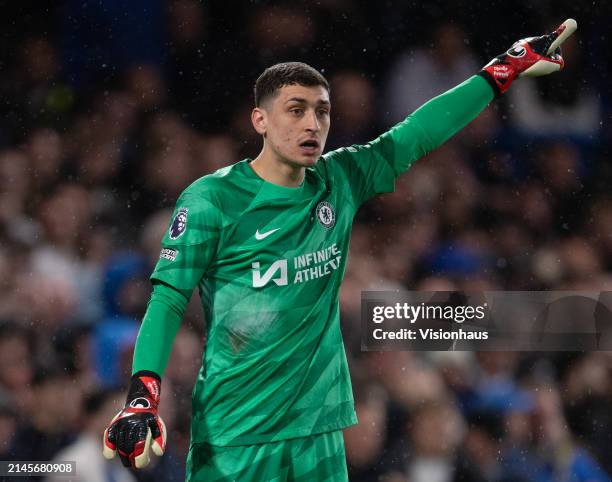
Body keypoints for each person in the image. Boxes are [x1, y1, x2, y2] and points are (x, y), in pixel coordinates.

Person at [102, 21, 572, 481]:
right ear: (260, 120)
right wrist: (142, 396)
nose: (312, 124)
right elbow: (167, 300)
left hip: (318, 426)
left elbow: (418, 132)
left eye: (322, 111)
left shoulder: (340, 179)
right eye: (296, 110)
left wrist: (501, 70)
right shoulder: (212, 200)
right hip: (235, 428)